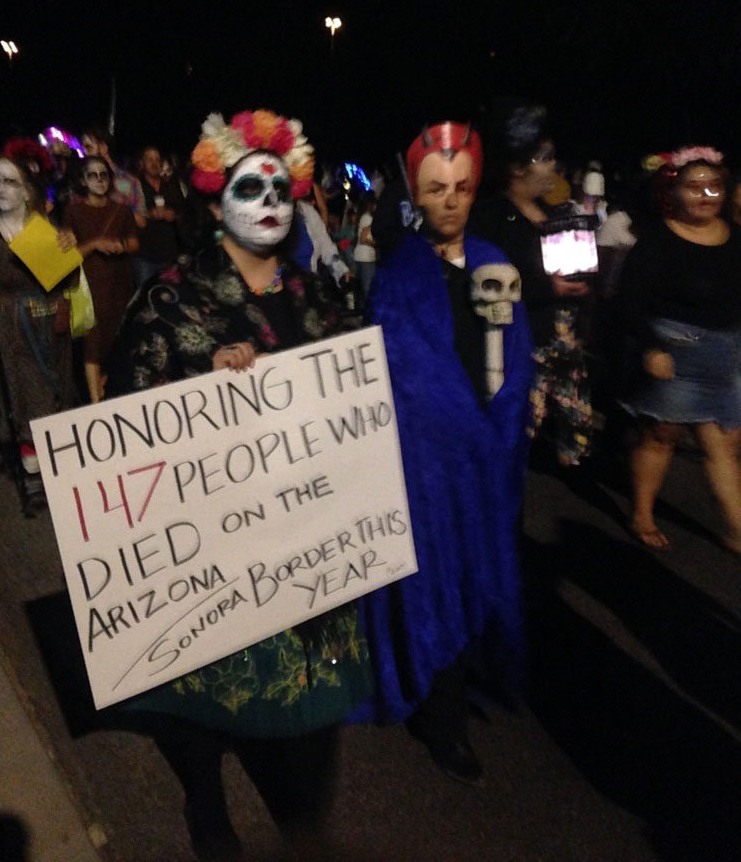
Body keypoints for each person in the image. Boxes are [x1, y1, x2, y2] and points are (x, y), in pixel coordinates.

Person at [105, 109, 372, 862]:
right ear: (217, 196)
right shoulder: (172, 297)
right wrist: (202, 394)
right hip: (216, 549)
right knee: (205, 695)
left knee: (304, 731)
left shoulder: (320, 295)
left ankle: (300, 812)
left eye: (280, 187)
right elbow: (123, 427)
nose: (268, 200)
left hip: (303, 539)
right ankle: (206, 799)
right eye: (250, 185)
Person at [356, 121, 534, 784]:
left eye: (461, 187)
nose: (452, 200)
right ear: (418, 196)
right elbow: (396, 368)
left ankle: (473, 676)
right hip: (427, 463)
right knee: (435, 581)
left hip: (487, 457)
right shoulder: (401, 274)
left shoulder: (494, 263)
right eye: (437, 189)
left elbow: (509, 357)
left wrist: (506, 415)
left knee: (484, 567)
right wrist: (451, 424)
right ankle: (444, 717)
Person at [617, 146, 741, 552]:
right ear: (675, 192)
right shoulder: (658, 239)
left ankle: (736, 529)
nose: (706, 195)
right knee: (663, 433)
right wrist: (651, 347)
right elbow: (631, 300)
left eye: (713, 186)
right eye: (695, 187)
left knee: (722, 441)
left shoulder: (734, 237)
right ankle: (642, 514)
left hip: (725, 353)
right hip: (675, 349)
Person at [470, 102, 594, 469]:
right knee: (518, 430)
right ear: (517, 167)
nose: (553, 166)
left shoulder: (558, 214)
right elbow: (485, 281)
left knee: (577, 432)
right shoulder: (490, 217)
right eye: (544, 158)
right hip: (523, 341)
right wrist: (547, 288)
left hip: (565, 339)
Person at [0, 156, 77, 508]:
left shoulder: (43, 226)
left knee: (54, 392)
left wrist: (68, 248)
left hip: (48, 322)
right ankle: (33, 477)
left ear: (27, 189)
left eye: (10, 182)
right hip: (10, 326)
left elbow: (69, 277)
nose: (1, 189)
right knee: (24, 396)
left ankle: (55, 471)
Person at [63, 155, 138, 403]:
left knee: (117, 339)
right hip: (88, 287)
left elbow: (136, 243)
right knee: (92, 345)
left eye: (103, 175)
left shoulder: (122, 210)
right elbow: (67, 253)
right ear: (84, 180)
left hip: (119, 285)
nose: (99, 180)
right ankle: (96, 404)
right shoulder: (73, 211)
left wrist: (121, 246)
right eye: (93, 175)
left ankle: (110, 390)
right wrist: (95, 243)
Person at [133, 144, 185, 286]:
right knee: (145, 298)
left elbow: (184, 211)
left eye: (157, 159)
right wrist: (149, 214)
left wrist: (174, 214)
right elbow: (128, 214)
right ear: (141, 164)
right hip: (145, 256)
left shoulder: (171, 186)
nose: (154, 163)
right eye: (149, 159)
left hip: (169, 254)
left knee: (169, 297)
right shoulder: (135, 187)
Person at [80, 127, 146, 224]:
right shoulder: (82, 182)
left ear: (104, 147)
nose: (86, 153)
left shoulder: (128, 181)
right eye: (84, 148)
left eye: (89, 147)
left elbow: (142, 221)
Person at [353, 192, 377, 308]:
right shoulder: (368, 218)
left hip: (359, 256)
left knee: (362, 289)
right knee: (368, 289)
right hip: (366, 257)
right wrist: (376, 244)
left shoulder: (362, 217)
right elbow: (364, 238)